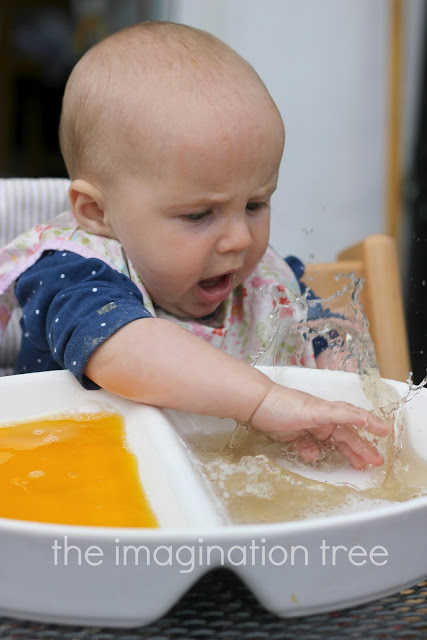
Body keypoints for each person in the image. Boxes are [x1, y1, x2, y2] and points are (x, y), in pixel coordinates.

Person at [0, 21, 388, 470]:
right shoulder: (73, 274)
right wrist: (262, 400)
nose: (240, 238)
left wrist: (340, 378)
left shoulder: (264, 279)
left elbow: (317, 330)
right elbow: (128, 350)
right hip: (77, 492)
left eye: (256, 204)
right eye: (199, 215)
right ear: (97, 213)